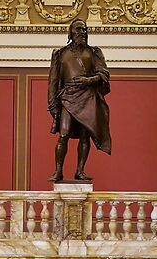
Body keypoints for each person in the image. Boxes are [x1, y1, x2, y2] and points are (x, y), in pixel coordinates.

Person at [47, 21, 112, 184]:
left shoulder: (94, 52)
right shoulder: (60, 54)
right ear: (71, 32)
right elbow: (53, 81)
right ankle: (58, 171)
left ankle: (80, 171)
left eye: (84, 29)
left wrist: (88, 81)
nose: (81, 32)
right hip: (68, 97)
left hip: (88, 96)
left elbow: (103, 74)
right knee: (64, 134)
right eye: (78, 29)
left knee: (85, 135)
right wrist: (52, 104)